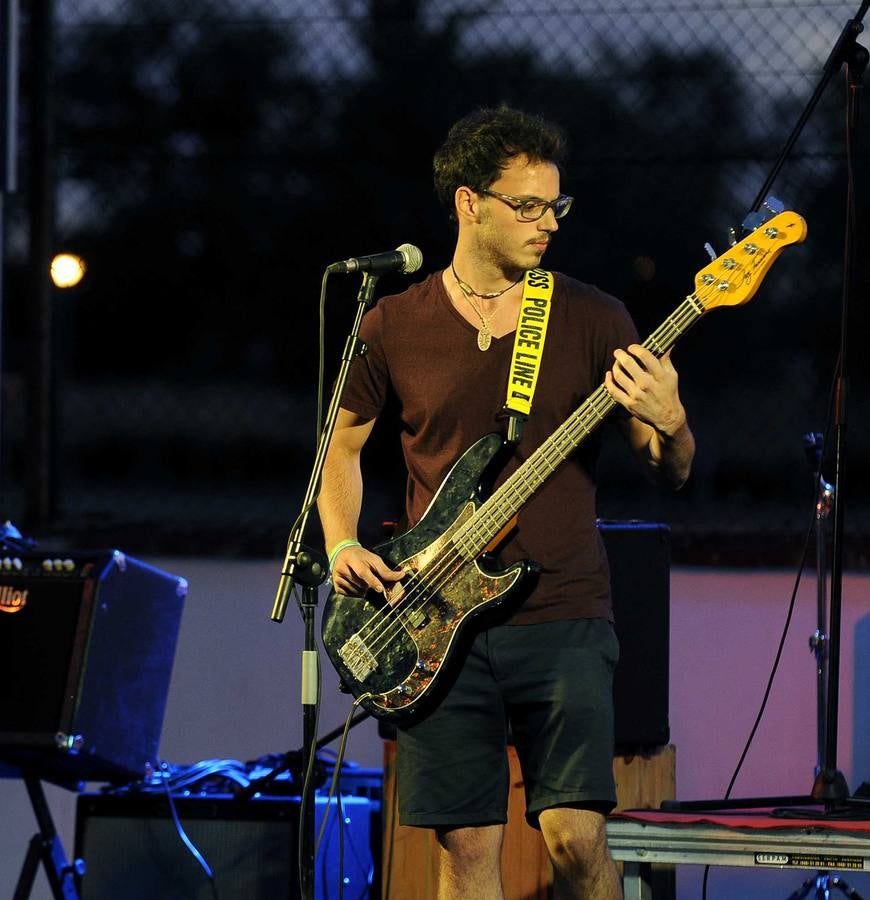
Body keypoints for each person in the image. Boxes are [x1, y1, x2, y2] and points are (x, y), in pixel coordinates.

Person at [319, 106, 695, 899]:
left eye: (555, 206)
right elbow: (342, 451)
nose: (546, 223)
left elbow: (670, 469)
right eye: (526, 206)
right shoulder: (393, 324)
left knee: (577, 839)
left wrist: (675, 424)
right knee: (465, 849)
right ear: (468, 204)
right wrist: (344, 544)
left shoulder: (594, 317)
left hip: (562, 609)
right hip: (431, 614)